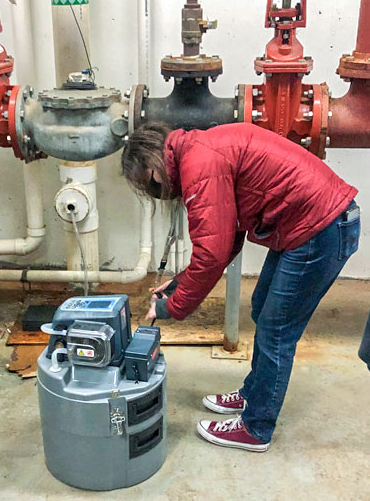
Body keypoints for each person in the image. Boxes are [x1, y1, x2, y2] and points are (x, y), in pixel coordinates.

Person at [122, 121, 360, 452]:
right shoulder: (197, 150)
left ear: (152, 166)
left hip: (320, 228)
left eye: (149, 182)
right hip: (310, 224)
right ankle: (253, 395)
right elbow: (224, 237)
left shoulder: (198, 164)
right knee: (263, 309)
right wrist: (178, 285)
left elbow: (212, 253)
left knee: (276, 331)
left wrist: (170, 308)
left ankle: (256, 427)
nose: (155, 189)